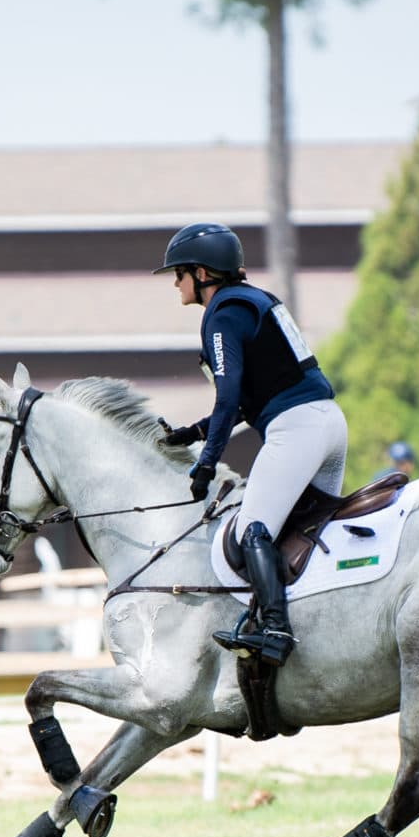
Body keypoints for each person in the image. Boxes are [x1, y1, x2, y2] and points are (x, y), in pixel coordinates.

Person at [154, 222, 347, 666]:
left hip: (296, 429)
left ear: (202, 273)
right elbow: (250, 397)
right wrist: (196, 432)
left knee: (252, 528)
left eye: (178, 274)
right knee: (301, 532)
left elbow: (229, 395)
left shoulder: (222, 314)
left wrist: (206, 464)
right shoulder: (256, 301)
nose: (175, 285)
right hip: (327, 423)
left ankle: (276, 630)